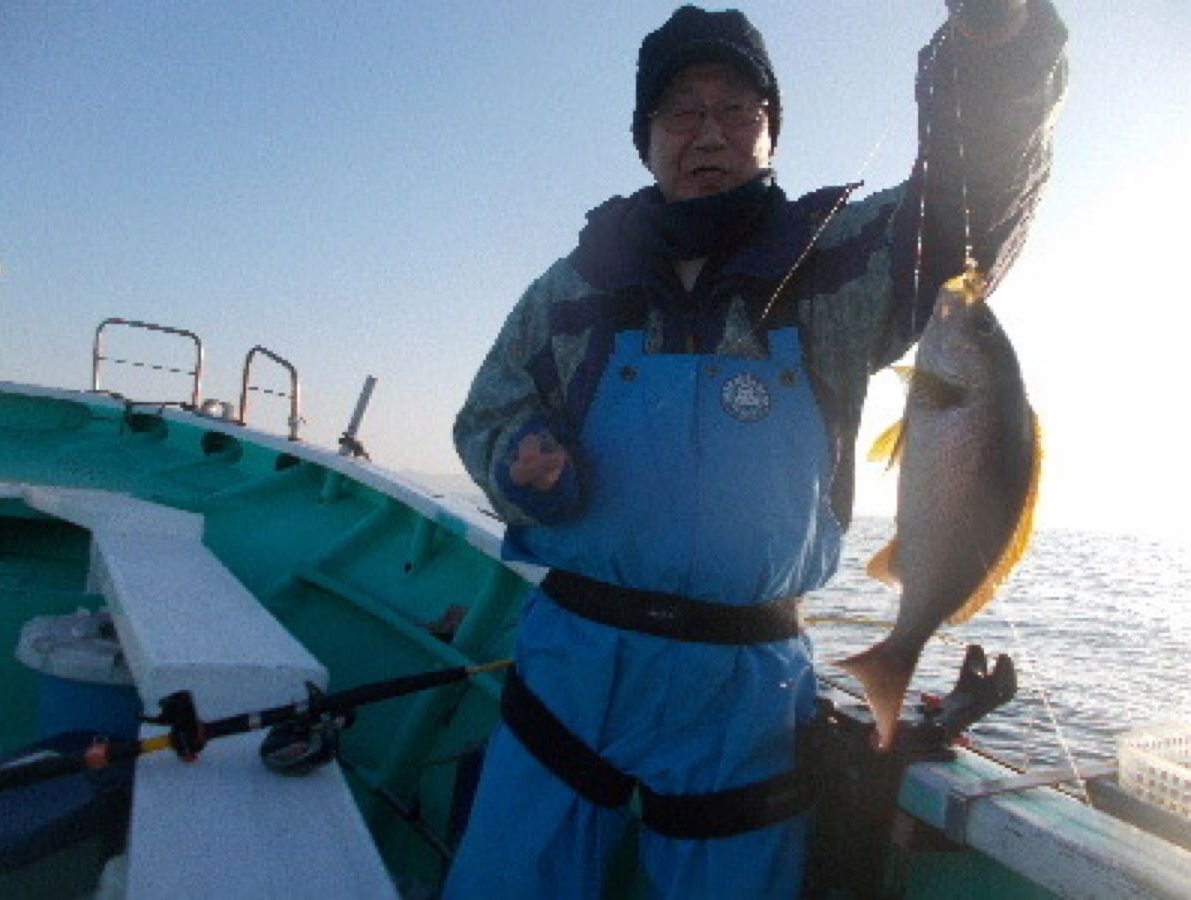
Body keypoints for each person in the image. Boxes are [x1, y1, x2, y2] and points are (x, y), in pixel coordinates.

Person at [447, 2, 1067, 898]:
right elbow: (486, 416)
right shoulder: (572, 287)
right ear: (646, 137)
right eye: (681, 112)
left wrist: (999, 45)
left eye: (738, 110)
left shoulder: (840, 264)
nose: (710, 133)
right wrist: (522, 464)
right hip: (568, 668)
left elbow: (977, 201)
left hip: (745, 696)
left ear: (771, 131)